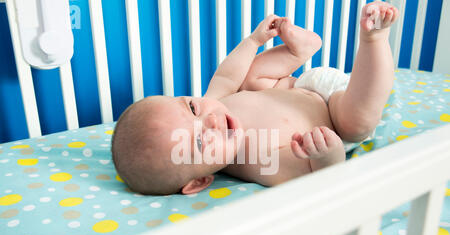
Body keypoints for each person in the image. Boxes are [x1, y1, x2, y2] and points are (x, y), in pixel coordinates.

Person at [111, 1, 398, 195]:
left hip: (298, 84)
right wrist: (326, 155)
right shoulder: (257, 160)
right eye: (199, 141)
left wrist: (253, 42)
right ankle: (374, 41)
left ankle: (299, 51)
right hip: (333, 111)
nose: (210, 120)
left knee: (248, 80)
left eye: (192, 107)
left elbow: (226, 75)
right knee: (357, 122)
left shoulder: (215, 103)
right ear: (199, 181)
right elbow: (313, 174)